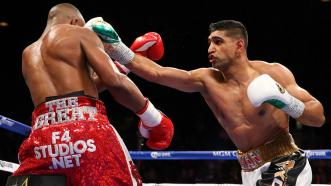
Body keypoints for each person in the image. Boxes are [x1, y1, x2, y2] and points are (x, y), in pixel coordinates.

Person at [91, 19, 325, 185]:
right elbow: (157, 73)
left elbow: (318, 116)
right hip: (248, 169)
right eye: (209, 42)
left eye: (218, 41)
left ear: (239, 46)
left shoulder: (273, 73)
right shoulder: (206, 80)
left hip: (286, 161)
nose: (210, 49)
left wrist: (285, 100)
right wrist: (116, 46)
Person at [7, 3, 174, 186]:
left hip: (43, 141)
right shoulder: (80, 33)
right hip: (86, 133)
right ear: (75, 21)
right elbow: (114, 82)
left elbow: (76, 90)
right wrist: (152, 117)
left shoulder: (27, 54)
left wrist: (124, 66)